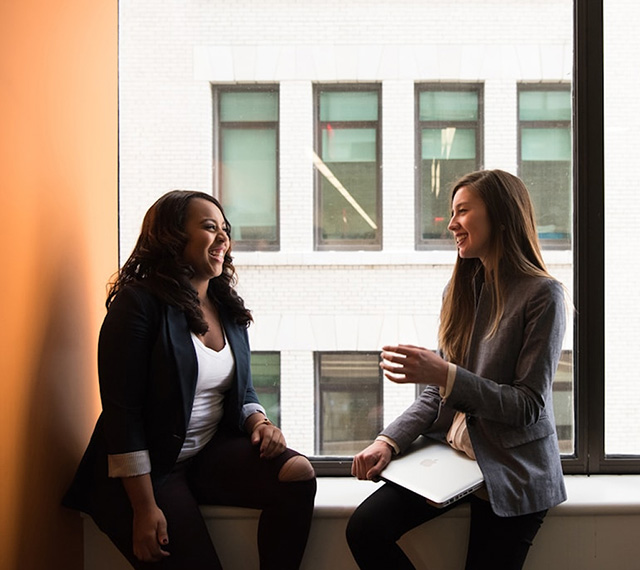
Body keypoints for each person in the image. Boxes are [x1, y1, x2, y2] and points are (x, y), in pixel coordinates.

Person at [63, 190, 316, 570]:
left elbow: (240, 388)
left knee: (297, 474)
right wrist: (144, 508)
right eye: (209, 227)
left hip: (202, 455)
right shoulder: (137, 305)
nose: (223, 239)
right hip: (145, 475)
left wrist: (259, 421)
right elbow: (123, 415)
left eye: (225, 230)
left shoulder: (225, 306)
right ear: (172, 236)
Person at [346, 170, 567, 570]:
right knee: (364, 529)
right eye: (452, 213)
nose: (451, 224)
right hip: (456, 458)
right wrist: (387, 441)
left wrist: (445, 375)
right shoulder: (460, 290)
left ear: (500, 216)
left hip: (512, 468)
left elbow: (528, 406)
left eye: (462, 211)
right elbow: (437, 393)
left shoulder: (542, 294)